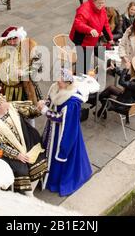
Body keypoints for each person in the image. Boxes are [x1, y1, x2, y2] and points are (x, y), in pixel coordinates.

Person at [0, 87, 48, 196]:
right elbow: (0, 146)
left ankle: (30, 192)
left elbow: (29, 111)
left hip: (28, 139)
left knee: (38, 159)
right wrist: (17, 154)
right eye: (3, 99)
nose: (6, 99)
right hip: (10, 153)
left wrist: (39, 108)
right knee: (21, 170)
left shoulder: (12, 106)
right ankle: (29, 196)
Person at [39, 69, 92, 197]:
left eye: (61, 81)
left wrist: (45, 111)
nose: (58, 81)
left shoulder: (72, 102)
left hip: (63, 132)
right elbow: (50, 100)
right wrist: (44, 103)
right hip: (52, 129)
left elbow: (61, 118)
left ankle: (55, 180)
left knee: (58, 153)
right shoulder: (55, 87)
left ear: (68, 83)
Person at [69, 0, 114, 74]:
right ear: (94, 0)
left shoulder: (102, 9)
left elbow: (105, 24)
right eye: (99, 3)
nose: (101, 6)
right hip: (82, 40)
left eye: (103, 3)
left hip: (91, 40)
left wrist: (110, 38)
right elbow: (78, 23)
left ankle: (82, 74)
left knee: (86, 61)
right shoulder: (84, 9)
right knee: (83, 62)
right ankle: (79, 77)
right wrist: (90, 29)